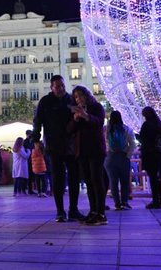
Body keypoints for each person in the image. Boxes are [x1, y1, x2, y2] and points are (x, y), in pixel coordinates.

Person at [32, 75, 84, 222]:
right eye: (57, 86)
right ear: (51, 87)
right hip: (54, 145)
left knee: (74, 178)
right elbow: (37, 122)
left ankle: (73, 209)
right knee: (57, 178)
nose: (60, 88)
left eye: (62, 85)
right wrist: (36, 140)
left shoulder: (71, 100)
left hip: (71, 144)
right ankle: (60, 211)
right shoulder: (45, 102)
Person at [69, 85, 107, 226]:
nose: (78, 99)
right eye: (76, 97)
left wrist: (86, 116)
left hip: (95, 149)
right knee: (89, 182)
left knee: (97, 180)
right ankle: (93, 211)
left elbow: (99, 122)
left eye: (80, 95)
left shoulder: (96, 107)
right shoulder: (76, 111)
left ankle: (101, 213)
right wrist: (75, 119)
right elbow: (70, 129)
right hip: (82, 150)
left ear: (87, 95)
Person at [104, 110, 137, 211]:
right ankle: (124, 202)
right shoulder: (127, 129)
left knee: (113, 182)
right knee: (124, 181)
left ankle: (117, 203)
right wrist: (128, 155)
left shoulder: (106, 129)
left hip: (110, 157)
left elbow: (104, 143)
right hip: (123, 157)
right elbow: (133, 144)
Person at [138, 106, 161, 209]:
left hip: (150, 154)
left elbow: (142, 138)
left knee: (153, 177)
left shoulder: (147, 125)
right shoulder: (159, 125)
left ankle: (156, 200)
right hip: (160, 154)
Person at [23, 129, 36, 195]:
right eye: (30, 134)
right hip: (28, 160)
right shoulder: (25, 142)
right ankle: (28, 189)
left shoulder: (32, 141)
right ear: (28, 134)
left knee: (32, 176)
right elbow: (27, 150)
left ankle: (31, 189)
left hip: (32, 160)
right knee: (28, 175)